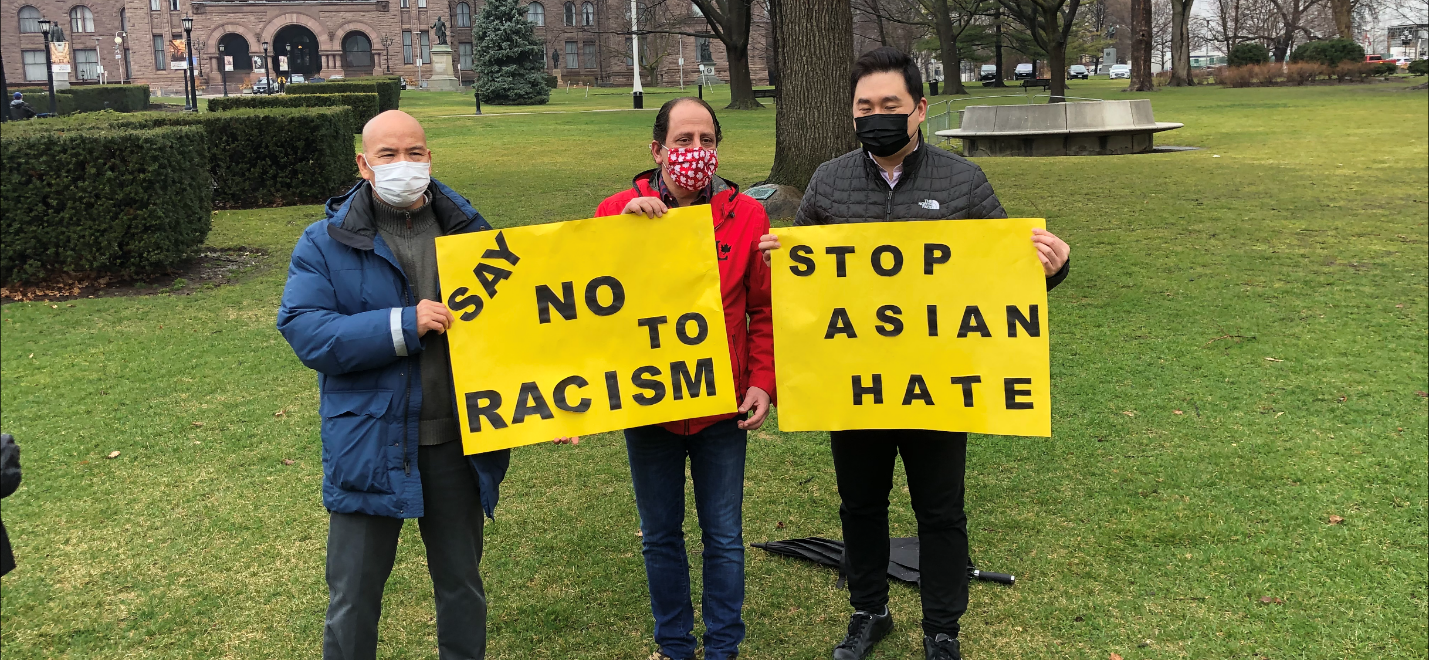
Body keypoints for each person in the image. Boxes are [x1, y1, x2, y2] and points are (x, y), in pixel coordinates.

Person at [758, 47, 1071, 660]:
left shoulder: (962, 181)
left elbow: (1007, 272)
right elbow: (804, 285)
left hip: (938, 383)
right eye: (864, 107)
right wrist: (781, 263)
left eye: (890, 106)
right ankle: (868, 611)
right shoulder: (828, 181)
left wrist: (1051, 269)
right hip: (854, 383)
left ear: (919, 110)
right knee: (861, 505)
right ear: (851, 114)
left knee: (941, 510)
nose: (876, 116)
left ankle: (942, 629)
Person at [276, 110, 511, 660]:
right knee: (353, 597)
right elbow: (307, 331)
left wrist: (549, 405)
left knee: (462, 589)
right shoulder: (323, 242)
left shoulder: (474, 236)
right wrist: (403, 325)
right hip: (368, 443)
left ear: (430, 158)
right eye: (388, 155)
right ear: (363, 164)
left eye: (414, 153)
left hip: (454, 444)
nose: (403, 165)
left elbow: (517, 328)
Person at [589, 96, 776, 660]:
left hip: (723, 408)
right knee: (661, 536)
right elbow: (589, 300)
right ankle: (674, 645)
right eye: (683, 140)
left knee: (724, 538)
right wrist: (620, 232)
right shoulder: (616, 209)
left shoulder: (748, 216)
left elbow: (763, 309)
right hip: (652, 410)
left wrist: (762, 381)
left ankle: (723, 648)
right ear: (657, 149)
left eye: (706, 141)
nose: (696, 152)